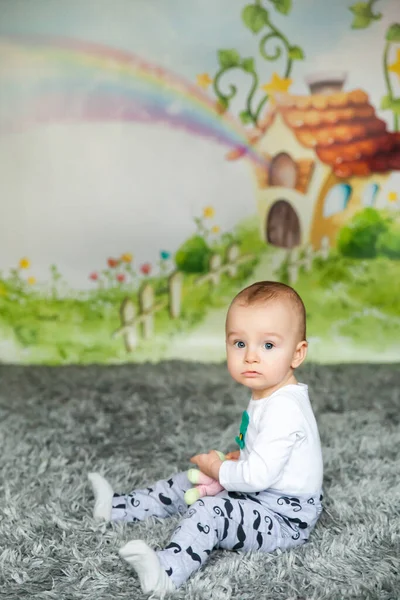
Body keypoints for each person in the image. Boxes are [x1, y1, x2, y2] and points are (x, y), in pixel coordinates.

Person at [88, 280, 324, 597]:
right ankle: (116, 508)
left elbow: (256, 476)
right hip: (262, 494)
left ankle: (167, 573)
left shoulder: (284, 409)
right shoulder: (272, 394)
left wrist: (219, 469)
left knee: (210, 511)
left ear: (298, 354)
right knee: (191, 481)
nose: (251, 356)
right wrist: (234, 462)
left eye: (268, 346)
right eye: (240, 344)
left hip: (284, 519)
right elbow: (265, 457)